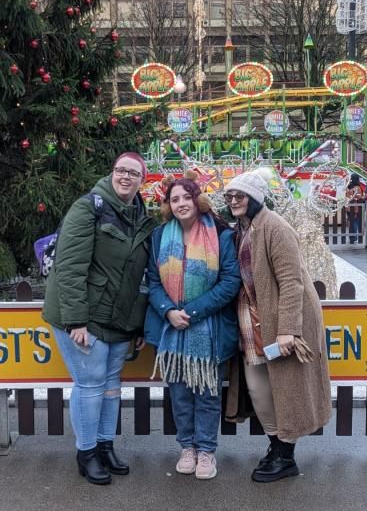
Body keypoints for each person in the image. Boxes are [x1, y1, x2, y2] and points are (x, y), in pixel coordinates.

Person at [43, 152, 155, 485]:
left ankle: (105, 446)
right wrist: (76, 320)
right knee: (90, 385)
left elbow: (140, 278)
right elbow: (70, 268)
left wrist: (136, 324)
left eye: (133, 173)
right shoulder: (87, 208)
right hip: (83, 317)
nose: (126, 177)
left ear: (142, 180)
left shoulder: (140, 216)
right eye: (121, 170)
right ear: (111, 173)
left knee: (110, 386)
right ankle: (86, 452)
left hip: (118, 320)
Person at [223, 170, 332, 483]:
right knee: (259, 389)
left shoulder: (275, 226)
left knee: (287, 389)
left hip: (282, 320)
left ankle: (285, 456)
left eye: (239, 195)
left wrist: (288, 330)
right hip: (254, 320)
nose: (232, 201)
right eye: (229, 196)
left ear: (255, 197)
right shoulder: (242, 228)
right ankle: (277, 446)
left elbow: (291, 281)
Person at [144, 174, 241, 480]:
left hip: (208, 328)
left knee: (207, 393)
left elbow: (231, 281)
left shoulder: (221, 235)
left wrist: (194, 311)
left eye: (187, 197)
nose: (181, 204)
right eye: (175, 199)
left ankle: (206, 452)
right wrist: (169, 311)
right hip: (172, 329)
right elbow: (153, 281)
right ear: (168, 206)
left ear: (197, 200)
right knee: (180, 395)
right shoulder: (160, 236)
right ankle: (187, 448)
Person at [345, 173, 364, 244]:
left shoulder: (347, 187)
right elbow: (359, 198)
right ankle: (354, 238)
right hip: (356, 207)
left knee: (351, 223)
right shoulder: (357, 188)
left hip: (348, 207)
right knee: (355, 223)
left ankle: (352, 238)